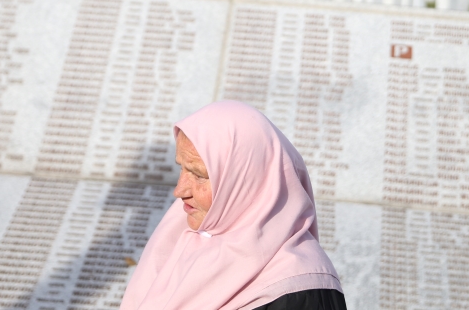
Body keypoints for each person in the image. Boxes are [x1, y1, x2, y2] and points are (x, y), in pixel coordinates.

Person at [120, 100, 346, 310]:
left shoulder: (301, 291)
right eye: (182, 168)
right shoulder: (179, 230)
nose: (179, 191)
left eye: (199, 175)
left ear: (246, 182)